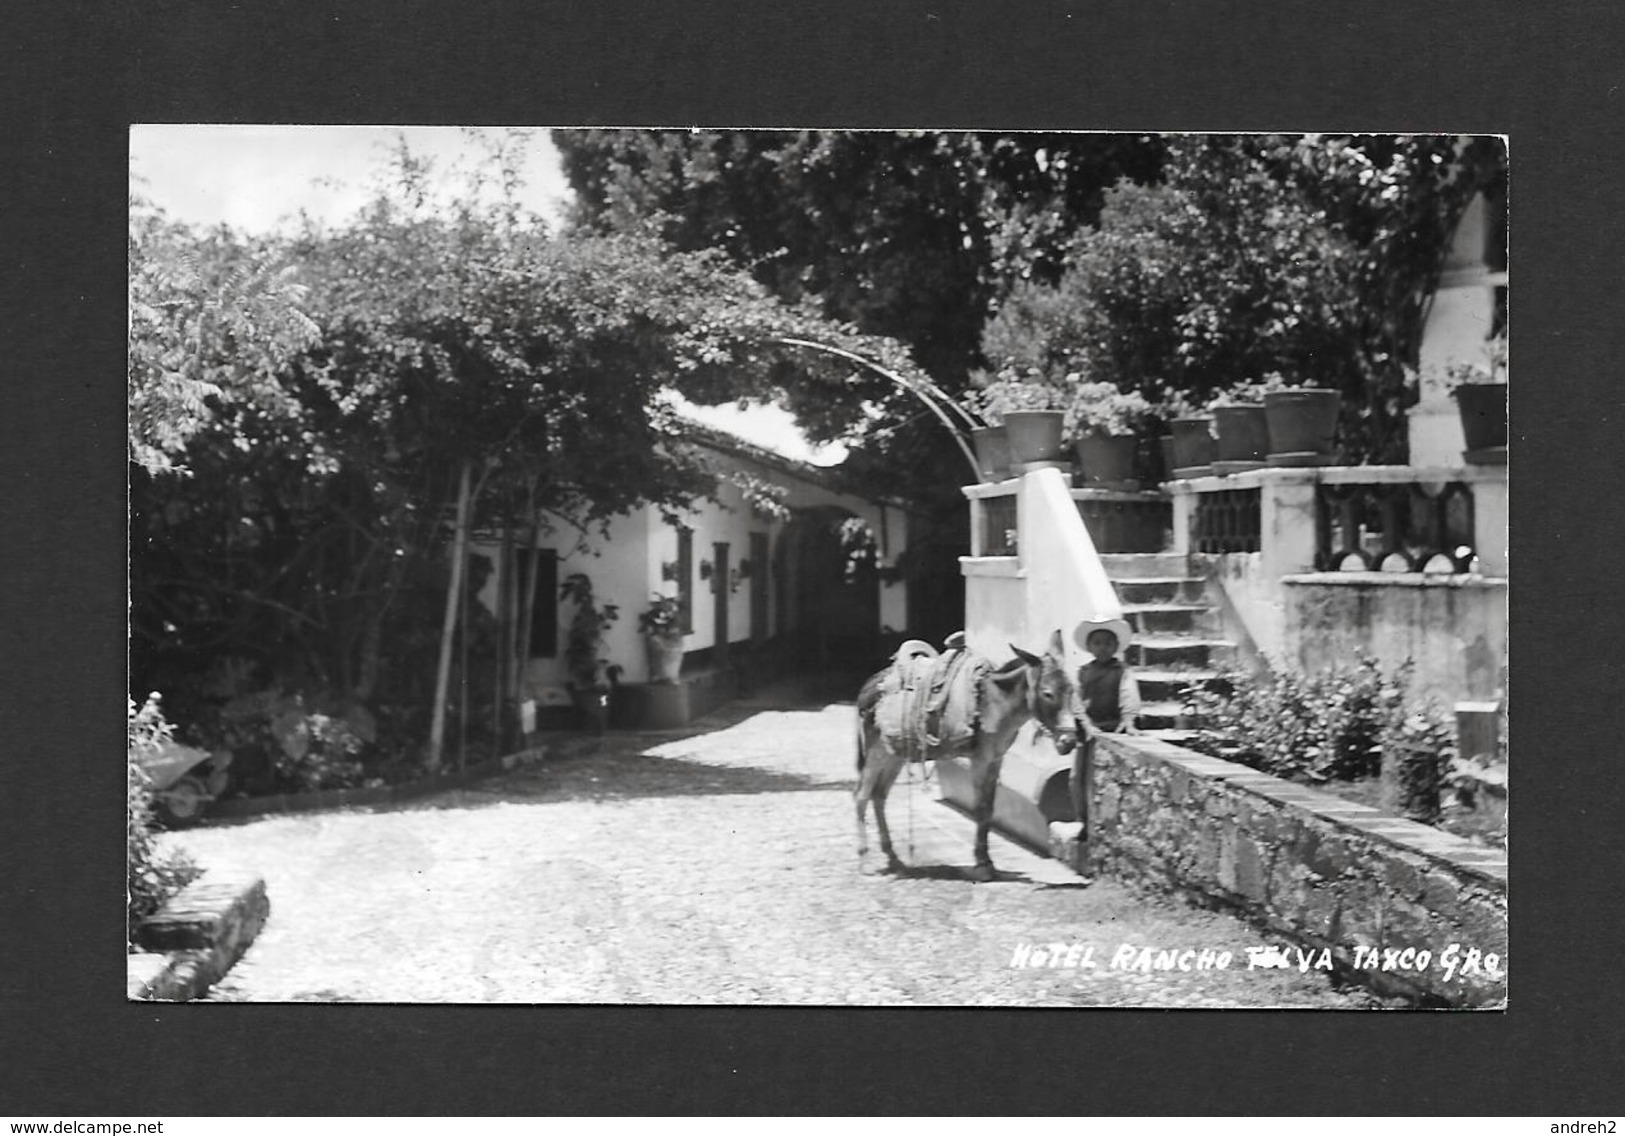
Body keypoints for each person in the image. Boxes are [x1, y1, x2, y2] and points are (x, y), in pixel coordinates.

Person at [1068, 616, 1141, 847]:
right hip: (1086, 734)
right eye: (1097, 643)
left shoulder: (1123, 672)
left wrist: (1128, 721)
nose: (1102, 648)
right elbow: (1075, 701)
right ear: (1089, 647)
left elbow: (1129, 695)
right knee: (1076, 781)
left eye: (1108, 643)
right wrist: (1086, 725)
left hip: (1111, 731)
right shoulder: (1083, 672)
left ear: (1115, 647)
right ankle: (1084, 822)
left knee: (1098, 783)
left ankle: (1099, 827)